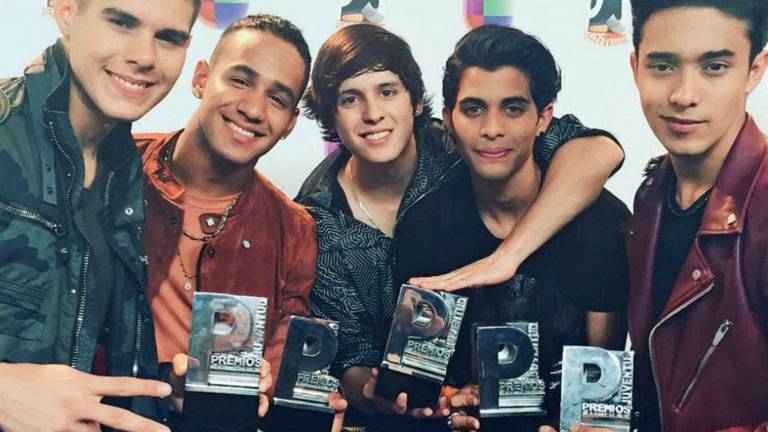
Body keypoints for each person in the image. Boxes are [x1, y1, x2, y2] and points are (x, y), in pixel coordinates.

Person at [296, 23, 625, 431]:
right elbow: (357, 356)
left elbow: (597, 149)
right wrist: (422, 401)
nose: (373, 113)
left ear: (417, 102)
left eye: (387, 91)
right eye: (350, 98)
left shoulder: (451, 147)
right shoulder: (322, 220)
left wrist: (506, 256)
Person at [394, 24, 629, 432]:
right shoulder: (424, 225)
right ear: (448, 120)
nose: (492, 129)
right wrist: (445, 404)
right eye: (473, 109)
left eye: (513, 109)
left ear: (544, 118)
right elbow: (420, 384)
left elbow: (600, 394)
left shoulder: (601, 223)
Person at [134, 14, 345, 430]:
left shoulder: (294, 229)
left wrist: (289, 393)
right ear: (201, 78)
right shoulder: (114, 169)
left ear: (289, 125)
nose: (253, 109)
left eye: (277, 99)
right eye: (240, 80)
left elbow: (283, 356)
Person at [0, 1, 199, 431]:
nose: (144, 56)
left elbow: (78, 359)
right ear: (66, 11)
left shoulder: (124, 169)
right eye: (121, 22)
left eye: (168, 37)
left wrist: (165, 390)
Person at [621, 1, 768, 431]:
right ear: (635, 69)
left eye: (714, 67)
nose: (683, 95)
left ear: (754, 70)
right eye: (663, 66)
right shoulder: (652, 195)